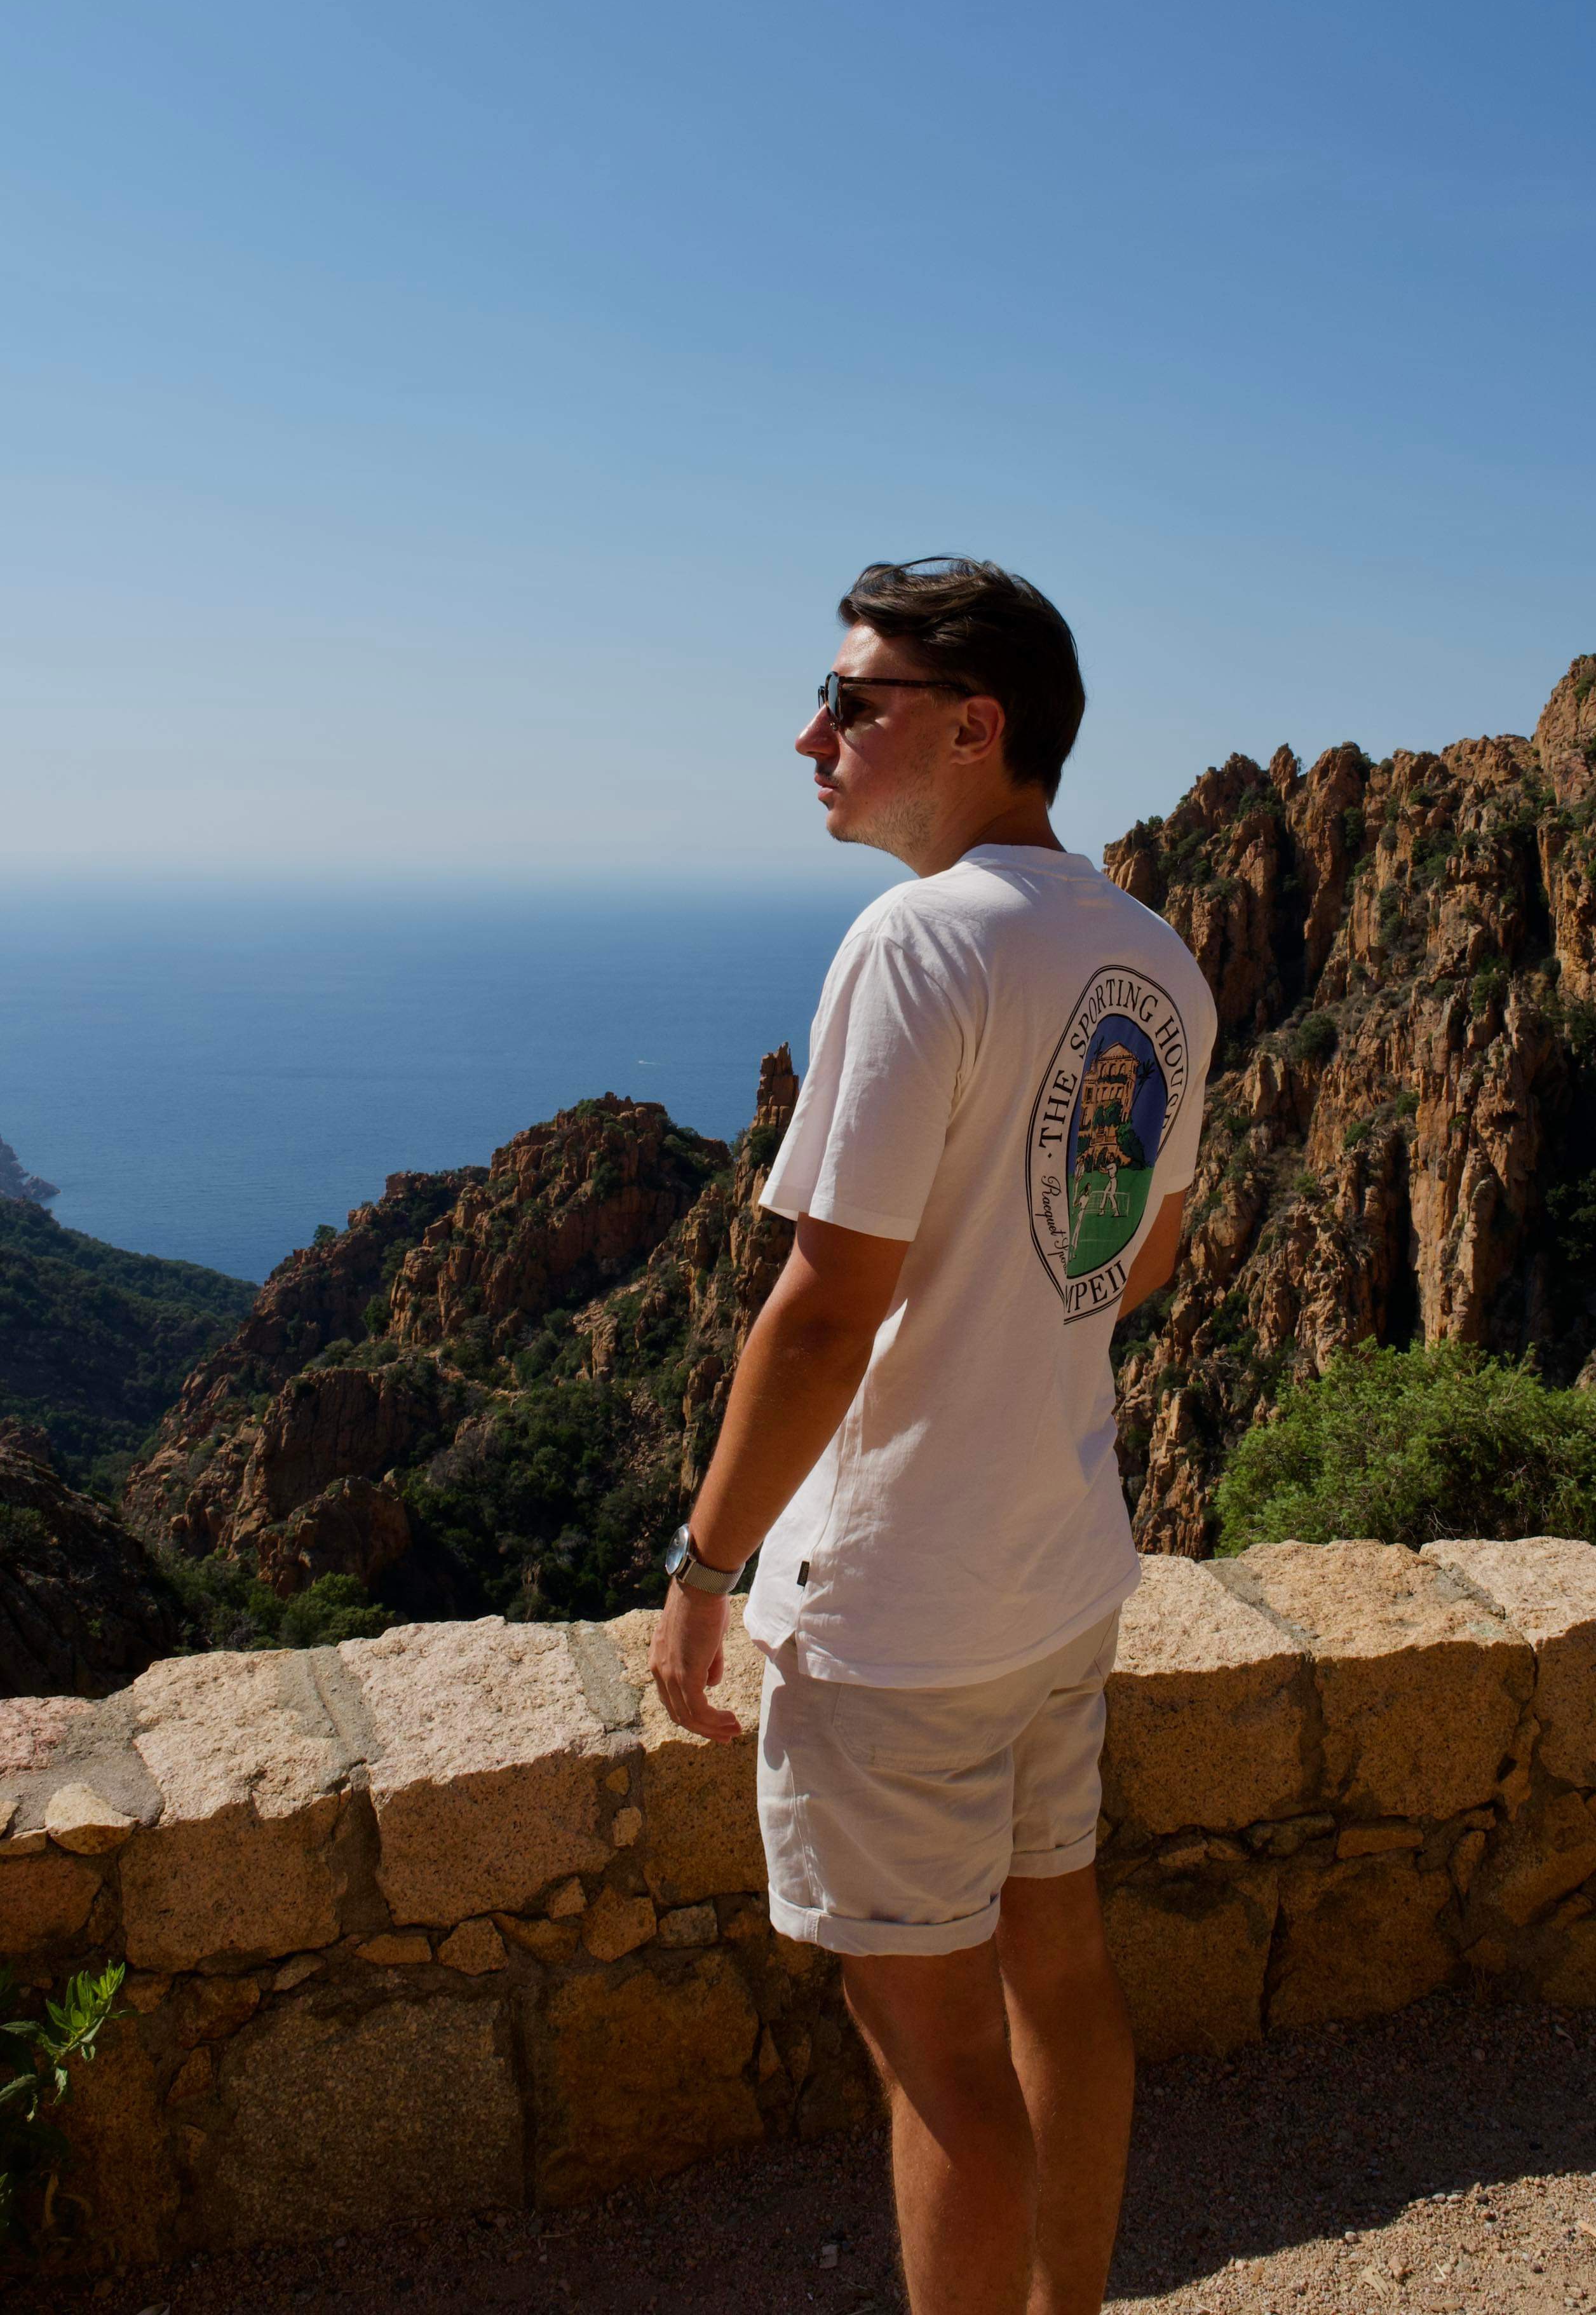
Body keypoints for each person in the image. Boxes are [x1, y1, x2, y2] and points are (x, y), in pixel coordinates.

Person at [651, 557, 1216, 2315]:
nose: (811, 734)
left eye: (852, 702)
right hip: (1058, 1574)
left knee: (937, 2056)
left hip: (902, 1612)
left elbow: (826, 1307)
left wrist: (703, 1569)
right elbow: (1141, 1258)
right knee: (1062, 1978)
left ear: (975, 727)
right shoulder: (1152, 957)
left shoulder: (921, 940)